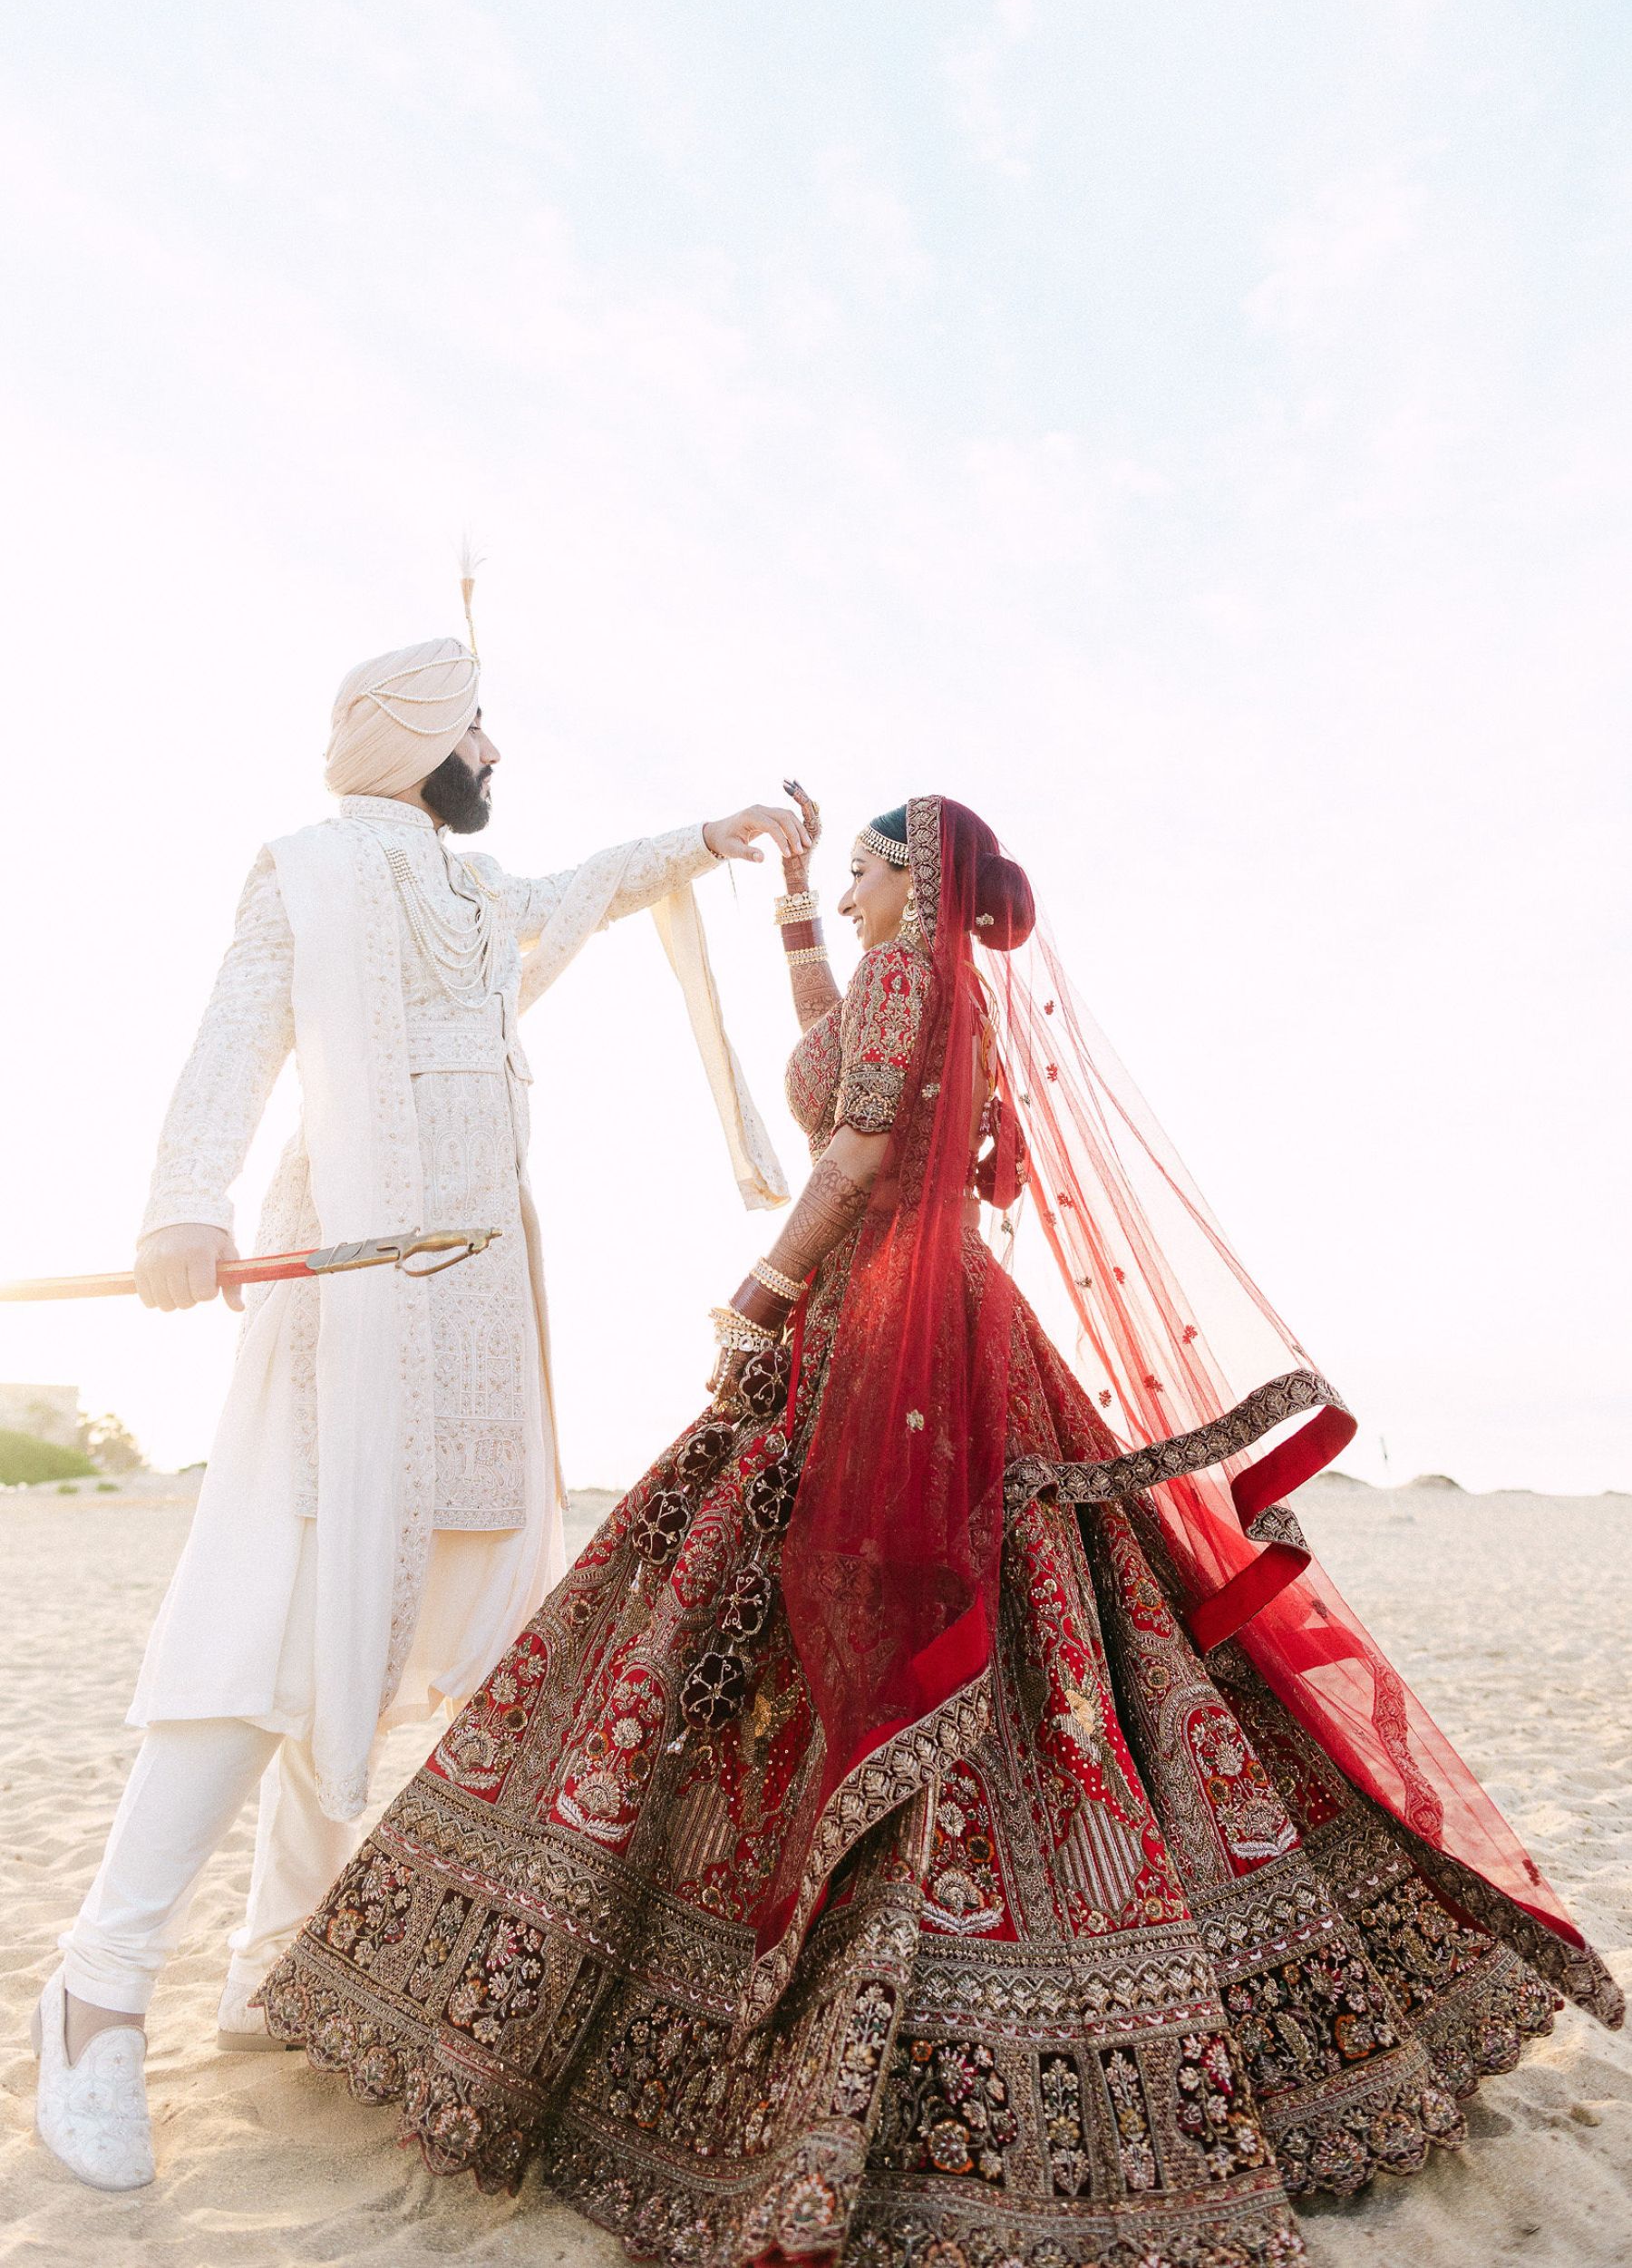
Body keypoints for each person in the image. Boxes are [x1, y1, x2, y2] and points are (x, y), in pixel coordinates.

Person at [262, 793, 1622, 2268]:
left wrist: (759, 1296)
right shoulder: (921, 982)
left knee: (849, 1601)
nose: (842, 885)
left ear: (913, 882)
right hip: (926, 1300)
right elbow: (838, 1067)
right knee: (1044, 1610)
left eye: (855, 866)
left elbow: (847, 1157)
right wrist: (787, 902)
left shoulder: (911, 981)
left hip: (888, 1317)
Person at [32, 626, 806, 2194]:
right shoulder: (308, 871)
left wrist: (710, 837)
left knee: (389, 1621)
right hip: (344, 1287)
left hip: (474, 1301)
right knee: (272, 1608)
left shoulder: (476, 896)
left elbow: (582, 886)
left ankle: (271, 1967)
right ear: (417, 744)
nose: (498, 754)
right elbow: (235, 1038)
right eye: (478, 730)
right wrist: (181, 1209)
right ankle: (95, 1991)